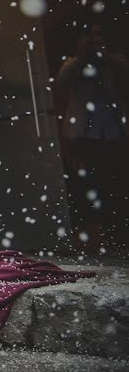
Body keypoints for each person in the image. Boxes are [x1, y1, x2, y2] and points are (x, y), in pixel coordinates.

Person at [54, 23, 129, 251]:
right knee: (86, 183)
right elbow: (62, 84)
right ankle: (92, 235)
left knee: (116, 181)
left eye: (99, 38)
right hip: (84, 133)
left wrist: (111, 60)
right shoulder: (75, 64)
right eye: (91, 39)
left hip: (113, 129)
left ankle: (117, 231)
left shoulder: (114, 63)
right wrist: (82, 57)